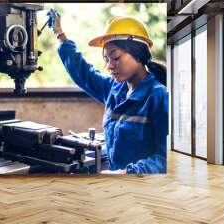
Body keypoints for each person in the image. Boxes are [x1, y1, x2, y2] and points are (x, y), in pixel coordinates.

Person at [47, 9, 168, 174]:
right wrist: (59, 34)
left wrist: (127, 173)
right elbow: (84, 73)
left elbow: (165, 158)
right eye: (107, 59)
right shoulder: (114, 89)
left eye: (116, 57)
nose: (110, 66)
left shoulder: (159, 96)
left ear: (138, 54)